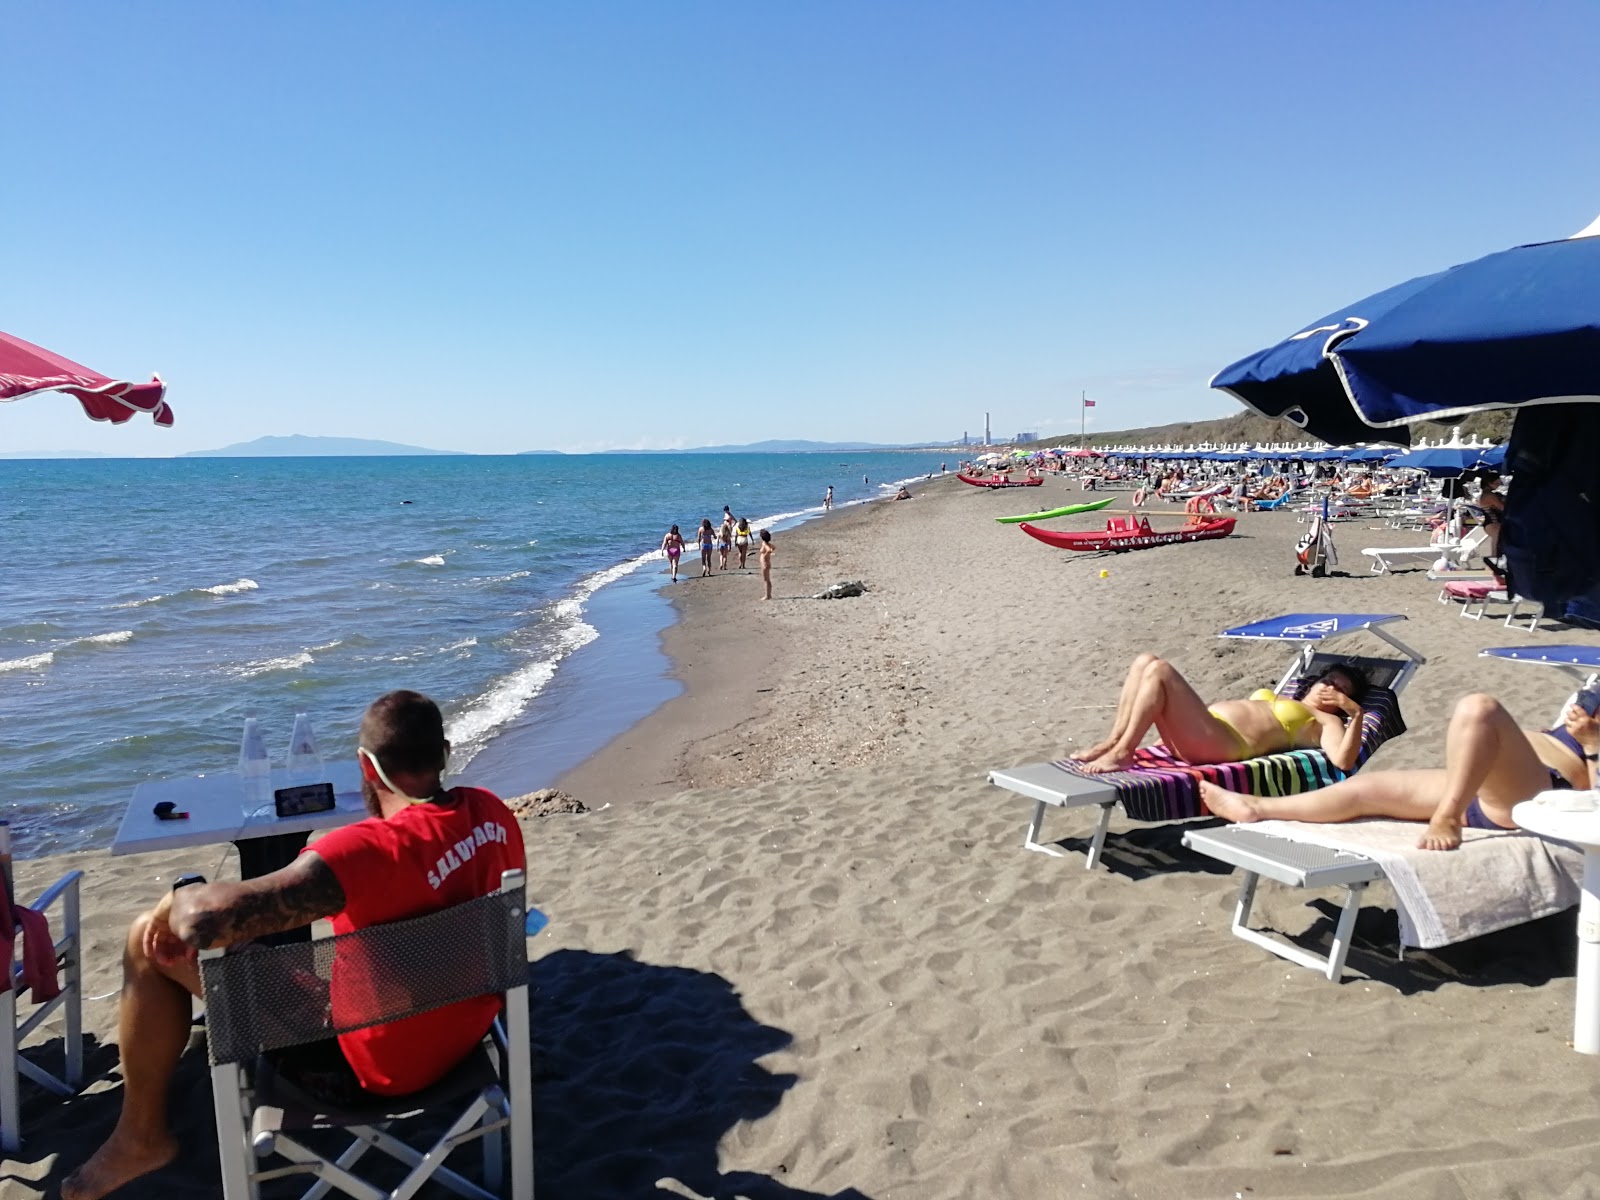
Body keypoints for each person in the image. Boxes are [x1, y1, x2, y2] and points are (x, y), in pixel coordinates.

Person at [62, 691, 527, 1200]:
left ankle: (141, 1138)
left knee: (146, 940)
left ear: (365, 767)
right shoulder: (491, 814)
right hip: (461, 1037)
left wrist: (174, 897)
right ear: (444, 751)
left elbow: (204, 922)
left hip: (362, 1073)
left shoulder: (363, 853)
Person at [1202, 692, 1600, 851]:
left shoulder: (1591, 737)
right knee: (1365, 789)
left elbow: (1595, 803)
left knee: (1479, 709)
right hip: (1486, 785)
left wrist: (1592, 746)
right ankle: (1256, 807)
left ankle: (1446, 818)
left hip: (1542, 796)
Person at [1069, 655, 1367, 775]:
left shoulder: (1326, 721)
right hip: (1202, 732)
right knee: (1145, 661)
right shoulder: (1284, 697)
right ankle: (1112, 742)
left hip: (1223, 745)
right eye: (1328, 680)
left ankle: (1123, 752)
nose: (1330, 688)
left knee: (1161, 671)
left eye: (1341, 690)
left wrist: (1355, 713)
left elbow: (1343, 760)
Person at [758, 529, 774, 600]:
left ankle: (767, 595)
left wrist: (765, 555)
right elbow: (773, 547)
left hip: (765, 563)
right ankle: (769, 595)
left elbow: (769, 550)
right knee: (767, 579)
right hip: (766, 563)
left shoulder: (764, 544)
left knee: (766, 580)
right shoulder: (768, 544)